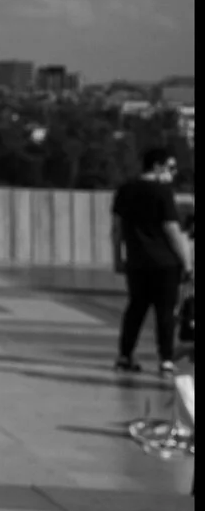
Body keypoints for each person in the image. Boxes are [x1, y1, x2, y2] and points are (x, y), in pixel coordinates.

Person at [113, 147, 193, 376]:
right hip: (165, 263)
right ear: (157, 166)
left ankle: (125, 355)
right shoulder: (162, 192)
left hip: (137, 262)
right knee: (165, 312)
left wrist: (118, 258)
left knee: (135, 309)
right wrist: (187, 263)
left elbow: (117, 229)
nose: (173, 173)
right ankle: (166, 359)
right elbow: (172, 229)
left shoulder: (125, 190)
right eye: (171, 167)